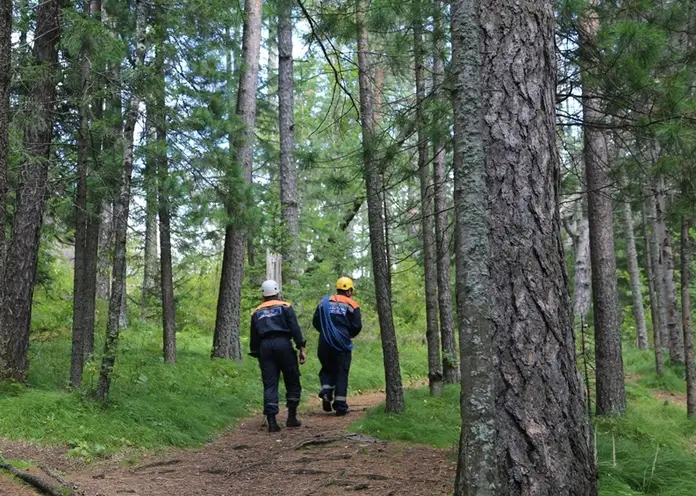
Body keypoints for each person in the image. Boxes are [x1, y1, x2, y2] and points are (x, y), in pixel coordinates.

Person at [249, 280, 307, 432]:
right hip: (284, 345)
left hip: (265, 347)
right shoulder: (285, 307)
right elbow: (294, 328)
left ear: (263, 295)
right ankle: (292, 417)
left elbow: (254, 336)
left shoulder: (257, 312)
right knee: (292, 379)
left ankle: (272, 421)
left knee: (270, 383)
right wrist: (301, 347)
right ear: (277, 292)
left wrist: (257, 353)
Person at [312, 277, 362, 416]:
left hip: (324, 341)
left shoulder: (324, 302)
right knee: (341, 371)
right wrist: (347, 335)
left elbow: (316, 321)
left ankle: (327, 393)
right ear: (349, 291)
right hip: (342, 342)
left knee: (327, 368)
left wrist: (325, 333)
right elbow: (357, 326)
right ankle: (340, 405)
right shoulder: (352, 304)